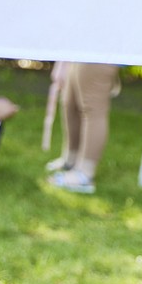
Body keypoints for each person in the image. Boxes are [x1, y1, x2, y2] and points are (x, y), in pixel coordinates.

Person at [46, 62, 121, 194]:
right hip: (84, 50)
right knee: (70, 102)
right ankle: (71, 159)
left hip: (101, 51)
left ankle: (85, 173)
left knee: (92, 108)